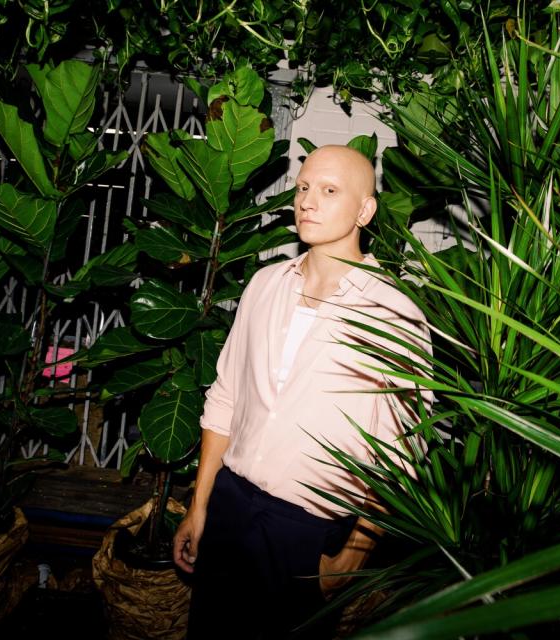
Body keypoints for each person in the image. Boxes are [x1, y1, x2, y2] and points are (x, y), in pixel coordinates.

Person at [173, 144, 432, 639]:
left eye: (330, 191)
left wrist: (351, 558)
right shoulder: (264, 286)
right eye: (304, 188)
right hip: (229, 505)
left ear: (365, 210)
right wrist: (200, 505)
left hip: (307, 532)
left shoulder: (394, 314)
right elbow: (225, 398)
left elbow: (401, 451)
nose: (308, 201)